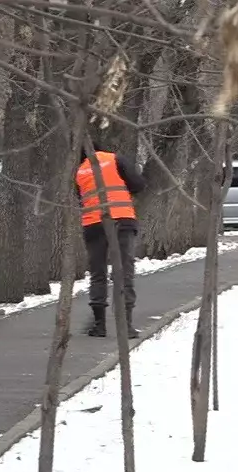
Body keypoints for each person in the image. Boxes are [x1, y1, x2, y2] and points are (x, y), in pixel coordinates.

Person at [75, 142, 146, 338]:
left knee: (98, 274)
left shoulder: (80, 171)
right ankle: (127, 326)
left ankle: (99, 326)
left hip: (93, 225)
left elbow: (79, 198)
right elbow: (139, 185)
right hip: (121, 220)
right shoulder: (115, 159)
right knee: (124, 272)